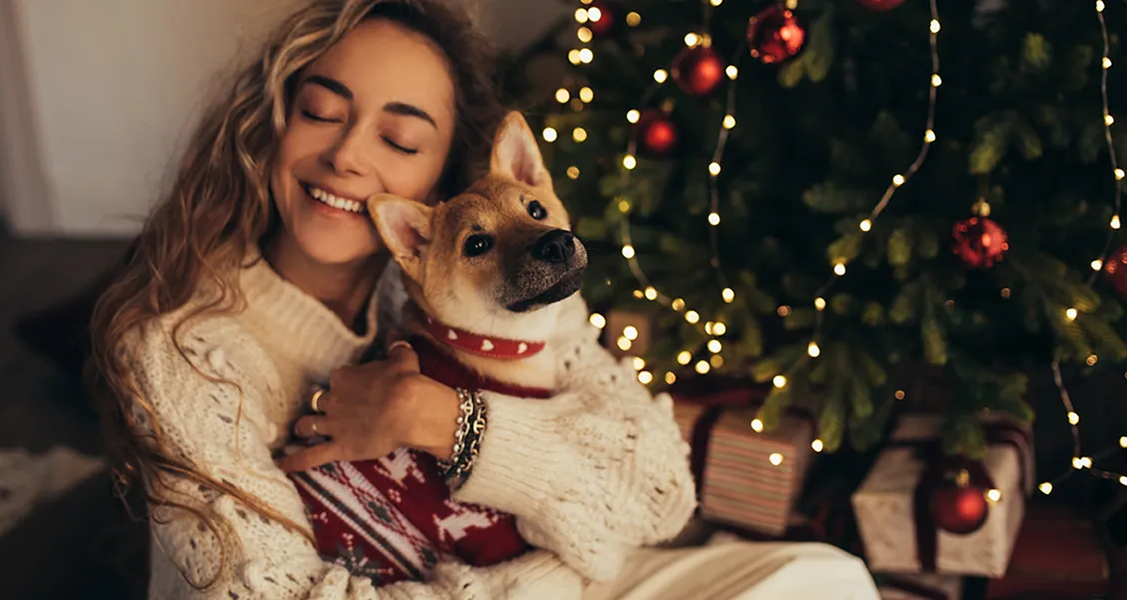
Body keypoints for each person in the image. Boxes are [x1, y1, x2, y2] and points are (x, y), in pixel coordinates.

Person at [88, 1, 881, 598]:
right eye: (321, 112)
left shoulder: (484, 288)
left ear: (438, 188)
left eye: (400, 140)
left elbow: (658, 497)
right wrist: (545, 579)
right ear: (270, 125)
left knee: (822, 579)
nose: (347, 155)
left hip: (544, 562)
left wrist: (450, 424)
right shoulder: (183, 346)